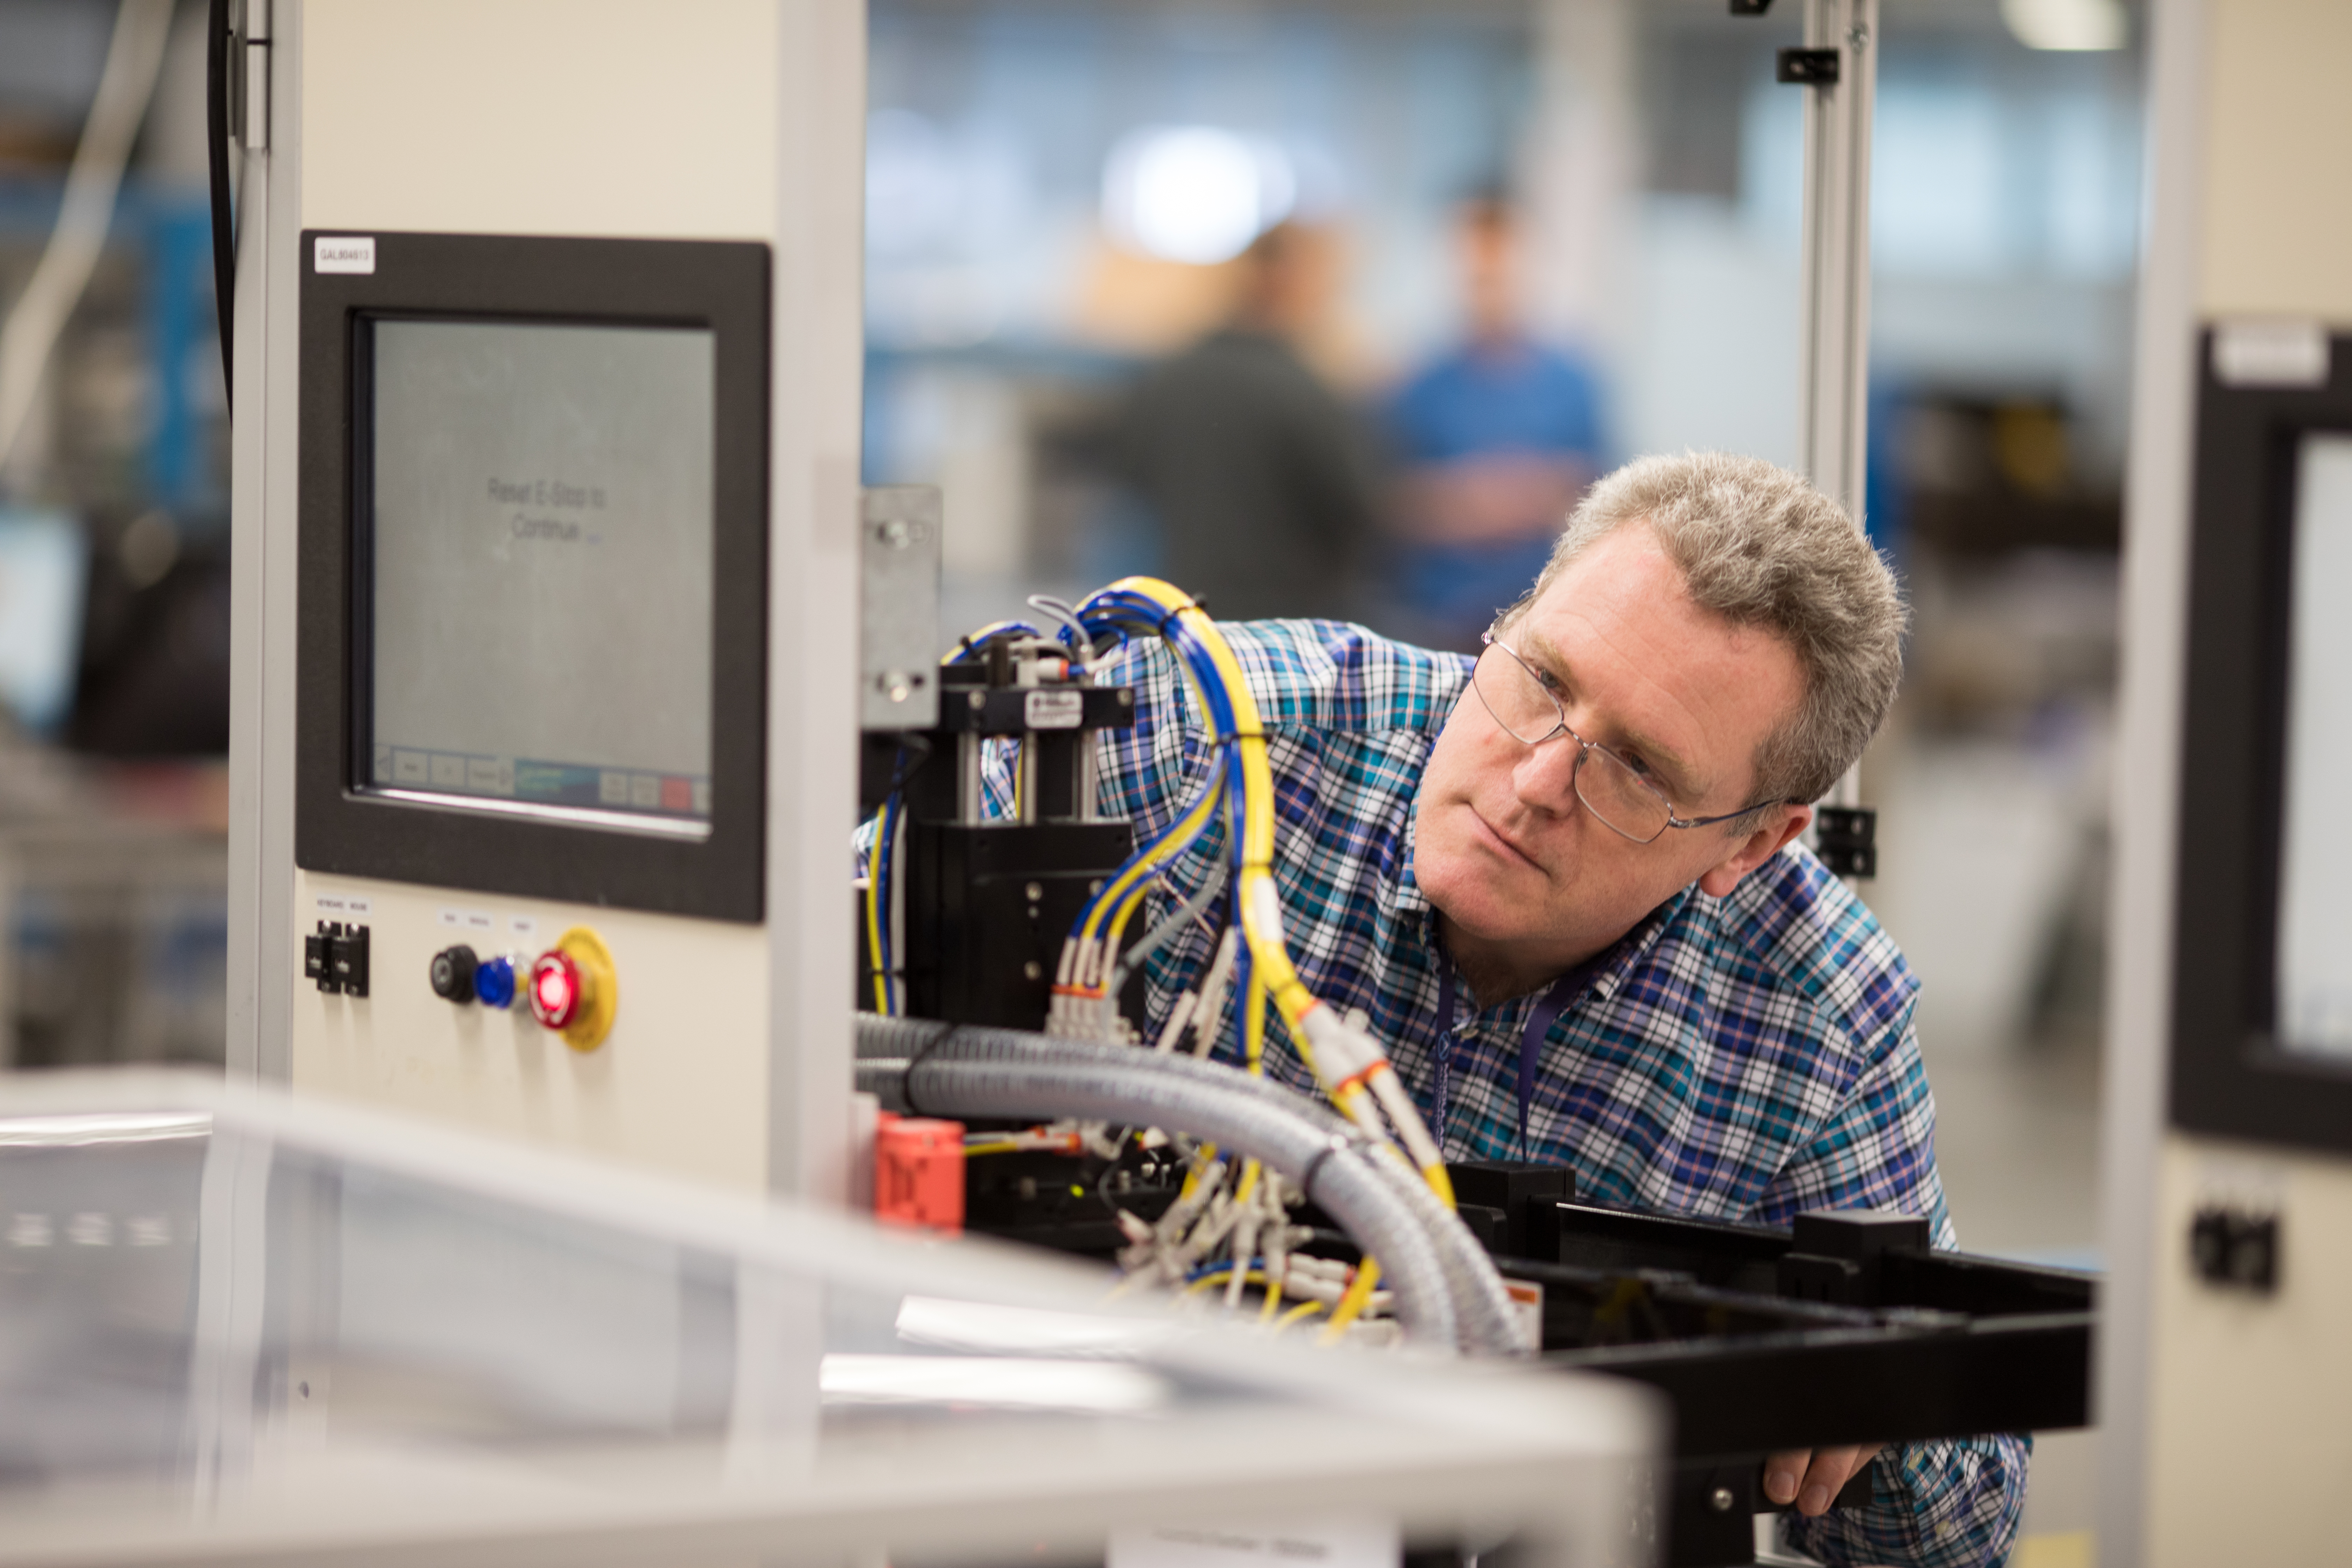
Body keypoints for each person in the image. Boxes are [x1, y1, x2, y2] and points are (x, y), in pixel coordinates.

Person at [1029, 452, 2022, 1567]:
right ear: (1501, 622)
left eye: (1638, 768)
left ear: (1750, 842)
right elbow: (822, 961)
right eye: (1542, 679)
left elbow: (1960, 1529)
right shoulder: (1211, 749)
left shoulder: (1815, 1014)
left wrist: (1871, 1401)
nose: (1539, 780)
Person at [1114, 222, 1382, 623]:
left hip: (1189, 624)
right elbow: (1360, 510)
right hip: (1289, 633)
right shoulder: (1305, 391)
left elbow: (1131, 476)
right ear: (1288, 279)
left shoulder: (1167, 379)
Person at [1382, 194, 1606, 651]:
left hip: (1548, 622)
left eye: (1500, 274)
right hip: (1439, 625)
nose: (1488, 289)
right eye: (1477, 276)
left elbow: (1602, 496)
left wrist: (1521, 495)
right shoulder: (1416, 388)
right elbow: (1387, 505)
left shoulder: (1573, 383)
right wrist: (1472, 503)